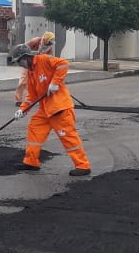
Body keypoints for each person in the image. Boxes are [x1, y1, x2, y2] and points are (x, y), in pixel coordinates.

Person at [9, 43, 92, 177]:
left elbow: (63, 64)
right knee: (34, 128)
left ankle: (83, 165)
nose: (19, 64)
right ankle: (31, 162)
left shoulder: (44, 59)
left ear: (25, 57)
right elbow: (32, 95)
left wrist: (54, 83)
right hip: (45, 109)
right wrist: (23, 109)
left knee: (68, 137)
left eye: (19, 61)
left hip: (60, 107)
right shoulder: (30, 72)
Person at [14, 31, 55, 105]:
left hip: (37, 65)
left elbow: (50, 59)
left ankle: (29, 99)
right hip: (27, 62)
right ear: (46, 39)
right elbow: (23, 49)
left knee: (33, 83)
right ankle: (18, 100)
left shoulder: (49, 48)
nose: (51, 42)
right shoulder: (36, 41)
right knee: (23, 81)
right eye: (50, 40)